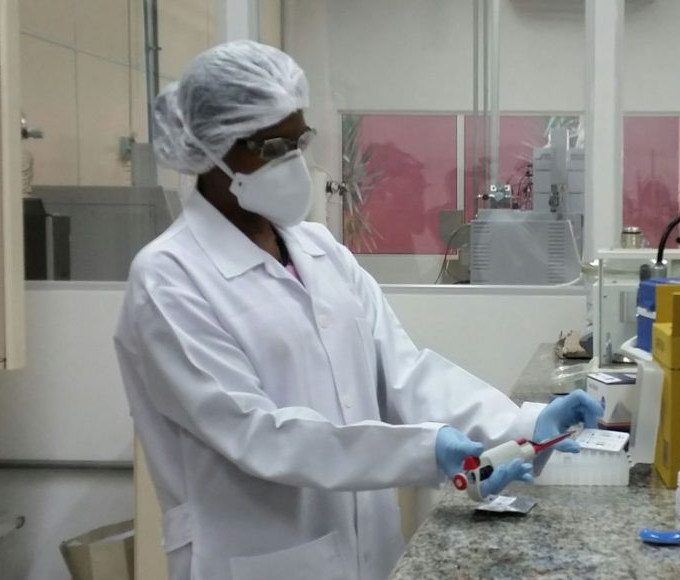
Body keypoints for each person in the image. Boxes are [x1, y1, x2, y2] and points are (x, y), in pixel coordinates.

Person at [114, 40, 601, 580]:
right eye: (273, 145)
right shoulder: (169, 279)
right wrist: (426, 449)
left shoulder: (320, 251)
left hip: (369, 550)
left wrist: (521, 424)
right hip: (256, 559)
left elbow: (404, 374)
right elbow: (259, 434)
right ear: (212, 150)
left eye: (299, 141)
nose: (294, 161)